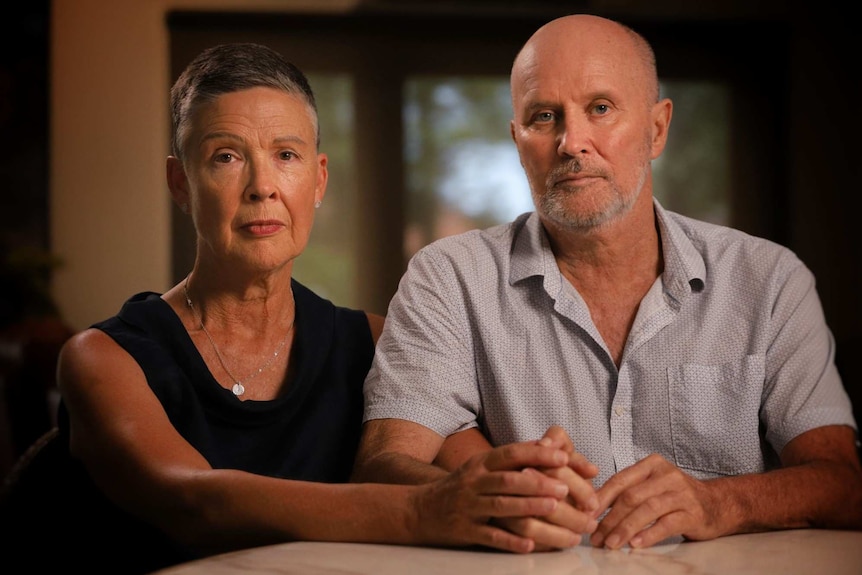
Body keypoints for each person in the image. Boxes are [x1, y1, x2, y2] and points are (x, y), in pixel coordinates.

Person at [13, 43, 590, 573]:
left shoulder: (377, 343)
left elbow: (469, 473)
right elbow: (193, 500)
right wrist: (418, 513)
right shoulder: (103, 358)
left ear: (317, 180)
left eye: (286, 155)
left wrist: (530, 482)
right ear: (181, 183)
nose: (263, 186)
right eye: (225, 157)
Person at [353, 13, 862, 552]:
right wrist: (487, 497)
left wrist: (720, 502)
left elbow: (843, 484)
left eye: (600, 108)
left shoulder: (769, 280)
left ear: (657, 129)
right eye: (543, 116)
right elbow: (382, 467)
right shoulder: (449, 277)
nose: (573, 142)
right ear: (517, 139)